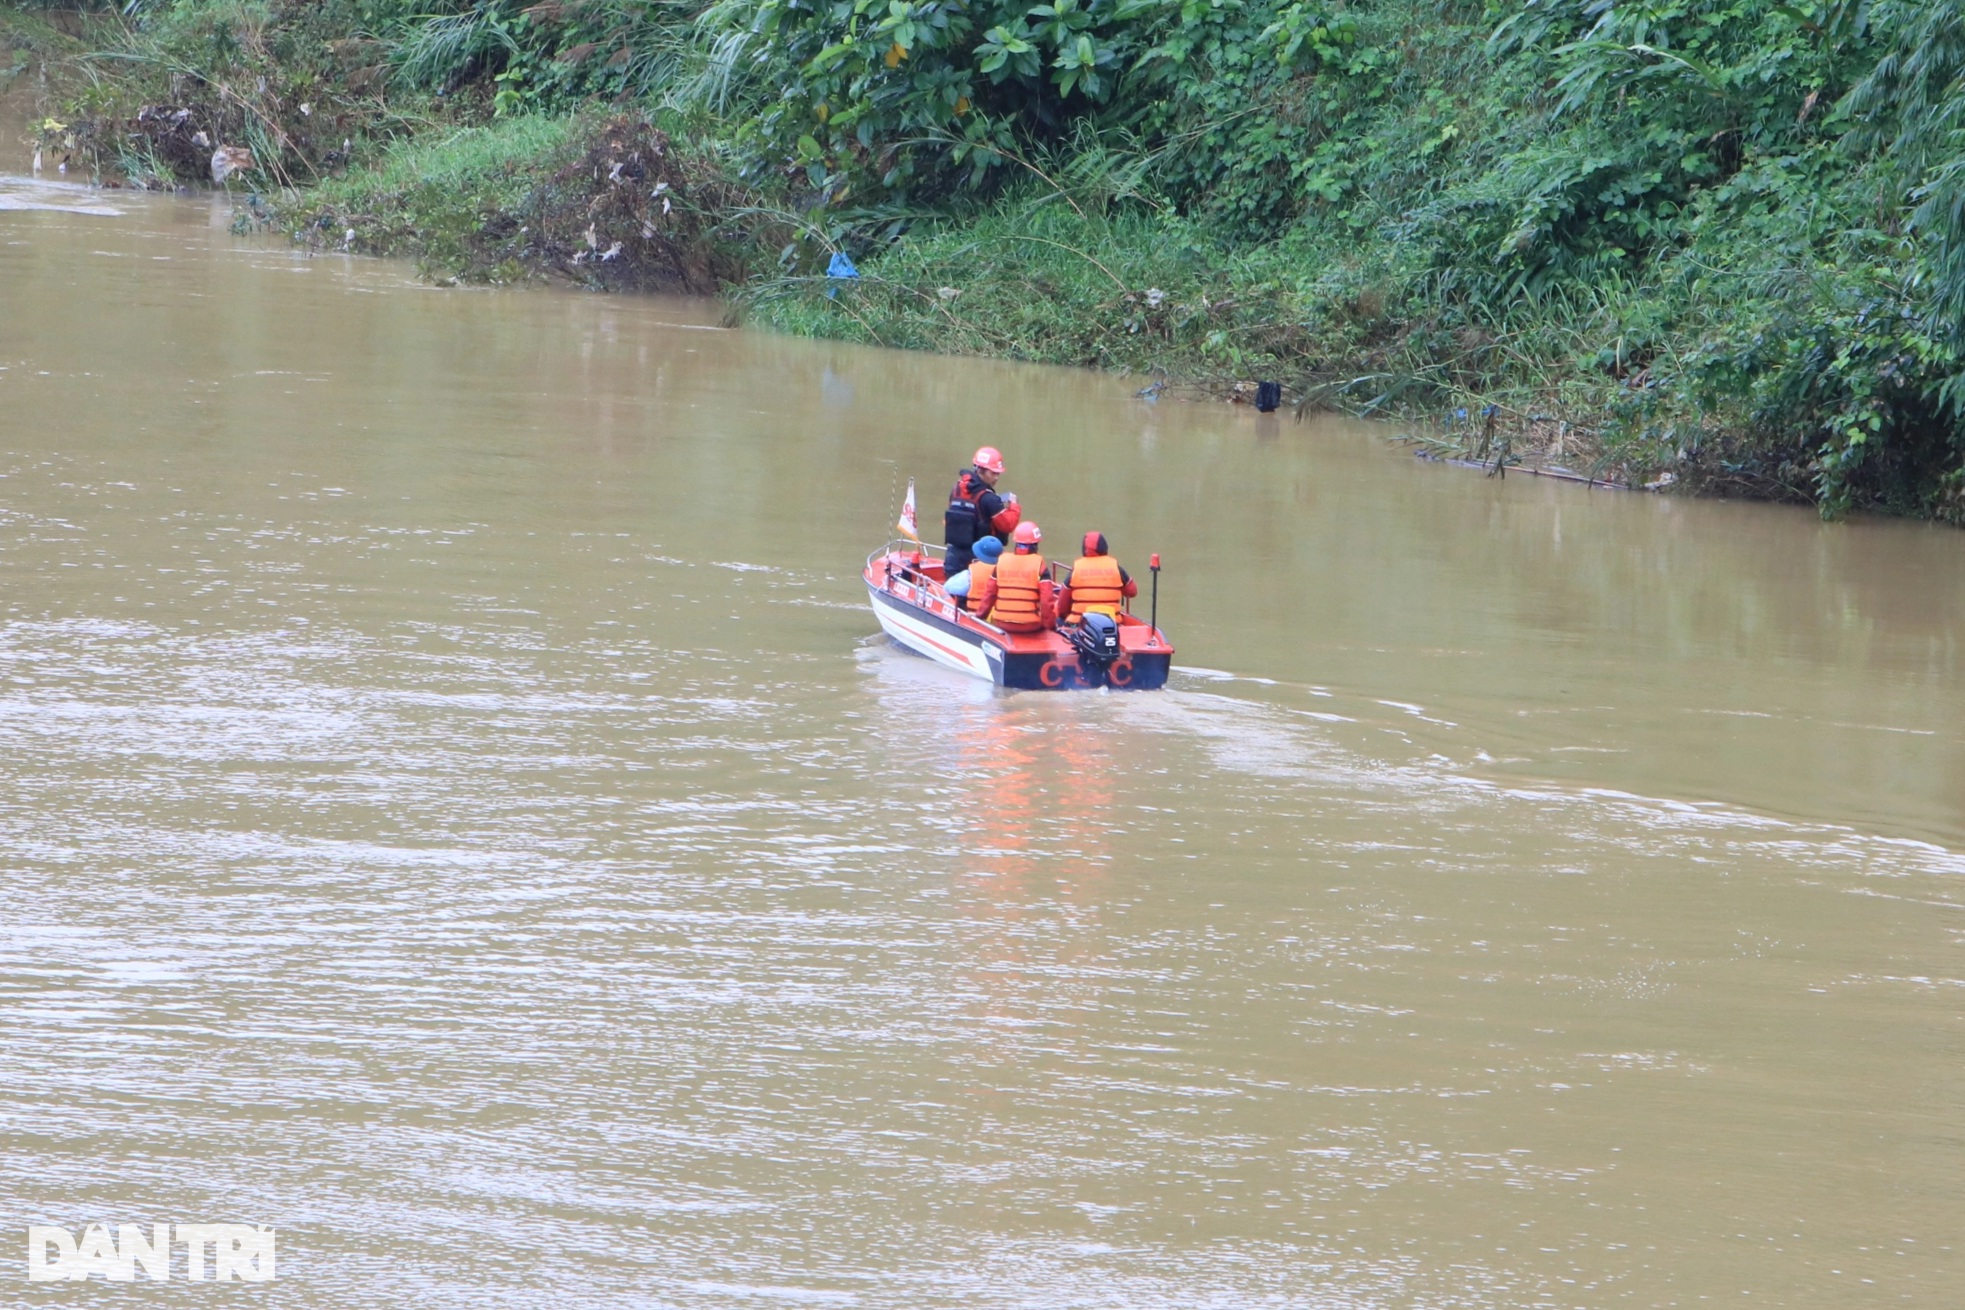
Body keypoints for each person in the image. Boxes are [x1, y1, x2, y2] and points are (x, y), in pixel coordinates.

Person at [943, 446, 1022, 576]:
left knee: (953, 591)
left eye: (998, 473)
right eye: (993, 473)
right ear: (980, 470)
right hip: (980, 557)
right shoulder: (989, 499)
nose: (996, 477)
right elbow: (1008, 525)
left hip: (953, 555)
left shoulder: (956, 489)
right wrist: (1014, 505)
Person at [974, 522, 1052, 632]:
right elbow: (1046, 601)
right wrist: (1050, 626)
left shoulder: (1001, 561)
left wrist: (979, 617)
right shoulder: (1040, 566)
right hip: (1030, 626)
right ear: (1036, 545)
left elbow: (989, 594)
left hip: (1002, 623)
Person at [1057, 531, 1138, 623]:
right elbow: (1132, 592)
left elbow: (1062, 605)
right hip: (1112, 623)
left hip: (1080, 624)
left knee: (1059, 621)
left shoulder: (1076, 569)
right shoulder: (1116, 568)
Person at [949, 534, 1003, 611]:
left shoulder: (970, 573)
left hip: (974, 614)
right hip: (996, 613)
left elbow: (949, 588)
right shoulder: (1004, 571)